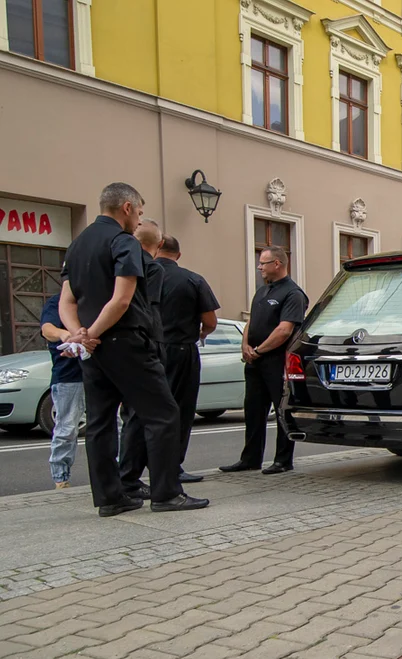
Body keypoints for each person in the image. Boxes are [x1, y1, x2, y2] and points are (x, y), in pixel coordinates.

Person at [59, 183, 207, 515]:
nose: (139, 220)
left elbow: (67, 301)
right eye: (139, 212)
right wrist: (93, 332)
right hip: (125, 342)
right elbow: (122, 298)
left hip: (94, 351)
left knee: (99, 421)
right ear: (126, 208)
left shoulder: (77, 245)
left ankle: (111, 499)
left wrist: (79, 334)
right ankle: (167, 493)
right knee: (163, 413)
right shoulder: (122, 242)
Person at [220, 246, 308, 475]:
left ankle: (283, 460)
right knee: (253, 410)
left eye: (263, 263)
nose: (259, 267)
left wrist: (258, 351)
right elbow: (251, 321)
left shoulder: (293, 294)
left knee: (281, 411)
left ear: (277, 264)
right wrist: (245, 346)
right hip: (255, 361)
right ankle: (250, 459)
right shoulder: (262, 292)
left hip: (276, 361)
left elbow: (284, 330)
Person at [156, 234, 220, 482]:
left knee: (144, 410)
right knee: (180, 409)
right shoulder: (193, 280)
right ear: (178, 255)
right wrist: (201, 333)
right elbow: (210, 321)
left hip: (148, 349)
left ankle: (133, 470)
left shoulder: (142, 276)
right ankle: (172, 467)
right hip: (181, 350)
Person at [117, 219, 165, 499]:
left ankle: (126, 477)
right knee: (158, 415)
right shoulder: (152, 268)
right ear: (158, 245)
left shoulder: (118, 262)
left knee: (129, 415)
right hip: (144, 343)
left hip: (117, 345)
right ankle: (143, 481)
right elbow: (151, 308)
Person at [40, 294, 84, 490]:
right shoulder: (57, 302)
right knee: (67, 428)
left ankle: (119, 473)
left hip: (100, 373)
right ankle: (61, 479)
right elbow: (47, 329)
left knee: (114, 425)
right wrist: (64, 334)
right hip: (68, 375)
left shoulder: (97, 297)